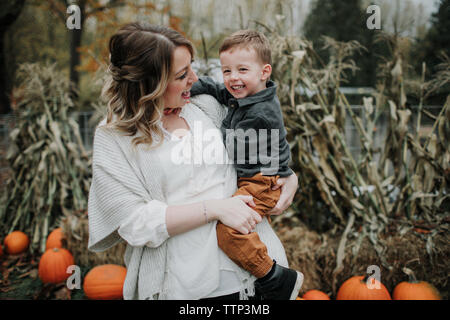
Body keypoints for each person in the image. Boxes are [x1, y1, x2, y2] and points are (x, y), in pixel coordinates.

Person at [87, 22, 299, 300]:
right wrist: (214, 209)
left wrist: (288, 176)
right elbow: (134, 223)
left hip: (251, 279)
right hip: (181, 285)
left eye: (192, 67)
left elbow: (261, 142)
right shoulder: (114, 136)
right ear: (151, 83)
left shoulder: (205, 107)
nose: (194, 78)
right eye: (181, 75)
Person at [189, 29, 303, 300]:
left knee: (229, 231)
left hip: (262, 180)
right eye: (226, 70)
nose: (232, 78)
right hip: (256, 177)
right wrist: (192, 87)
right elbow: (218, 90)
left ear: (264, 72)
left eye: (242, 69)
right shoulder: (247, 94)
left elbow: (228, 152)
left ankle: (275, 277)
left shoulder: (261, 113)